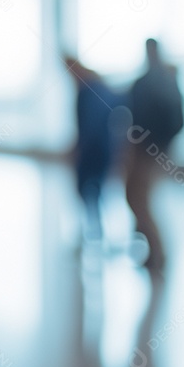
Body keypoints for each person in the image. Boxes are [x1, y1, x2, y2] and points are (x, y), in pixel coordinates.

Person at [125, 38, 184, 273]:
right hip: (153, 150)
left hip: (148, 152)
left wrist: (151, 147)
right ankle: (153, 251)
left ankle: (157, 254)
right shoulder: (165, 81)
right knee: (139, 198)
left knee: (139, 200)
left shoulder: (151, 82)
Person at [63, 56, 119, 246]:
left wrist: (79, 149)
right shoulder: (96, 87)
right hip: (101, 148)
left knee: (89, 188)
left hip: (94, 150)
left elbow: (90, 127)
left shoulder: (89, 90)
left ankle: (96, 230)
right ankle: (95, 228)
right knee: (94, 189)